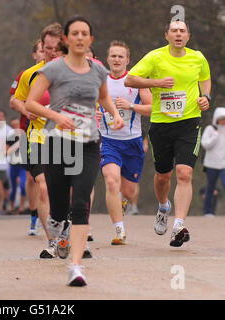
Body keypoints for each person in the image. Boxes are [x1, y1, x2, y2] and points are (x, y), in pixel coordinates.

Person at [26, 16, 124, 286]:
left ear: (90, 39)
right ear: (66, 40)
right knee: (58, 209)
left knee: (81, 203)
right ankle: (57, 225)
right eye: (75, 34)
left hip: (88, 144)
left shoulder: (98, 71)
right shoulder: (53, 69)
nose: (80, 38)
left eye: (85, 34)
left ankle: (76, 266)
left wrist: (114, 114)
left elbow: (103, 97)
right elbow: (31, 103)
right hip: (57, 144)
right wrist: (56, 117)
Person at [125, 20, 211, 247]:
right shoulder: (155, 57)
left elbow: (205, 79)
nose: (178, 34)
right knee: (163, 175)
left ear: (188, 36)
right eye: (174, 30)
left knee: (184, 173)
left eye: (182, 31)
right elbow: (129, 79)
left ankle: (178, 225)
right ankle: (163, 206)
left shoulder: (198, 58)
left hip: (189, 123)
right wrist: (156, 82)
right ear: (167, 35)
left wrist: (206, 97)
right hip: (161, 124)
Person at [11, 23, 63, 257]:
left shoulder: (78, 70)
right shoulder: (30, 74)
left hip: (69, 137)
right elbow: (16, 99)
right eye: (48, 48)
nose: (52, 52)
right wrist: (26, 110)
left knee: (67, 191)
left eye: (57, 47)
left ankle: (70, 234)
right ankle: (53, 241)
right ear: (42, 47)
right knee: (43, 187)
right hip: (39, 136)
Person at [97, 41, 152, 245]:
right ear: (108, 59)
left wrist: (130, 106)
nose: (117, 59)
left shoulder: (135, 81)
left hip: (132, 142)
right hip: (109, 141)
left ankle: (122, 206)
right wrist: (95, 113)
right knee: (111, 181)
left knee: (128, 191)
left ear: (127, 60)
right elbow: (91, 103)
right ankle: (119, 231)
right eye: (113, 56)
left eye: (121, 56)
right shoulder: (100, 81)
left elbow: (153, 109)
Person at [9, 39, 44, 234]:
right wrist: (27, 110)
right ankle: (34, 215)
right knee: (32, 177)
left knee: (47, 179)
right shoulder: (26, 74)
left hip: (56, 132)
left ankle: (52, 215)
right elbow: (13, 100)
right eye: (40, 50)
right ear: (35, 54)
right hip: (28, 131)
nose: (43, 53)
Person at [201, 107, 225, 217]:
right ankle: (208, 211)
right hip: (211, 164)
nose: (223, 120)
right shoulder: (210, 129)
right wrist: (215, 136)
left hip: (223, 164)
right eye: (221, 118)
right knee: (210, 187)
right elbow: (205, 144)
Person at [7, 118, 27, 215]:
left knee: (23, 185)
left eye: (17, 125)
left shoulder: (26, 136)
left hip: (23, 165)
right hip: (13, 165)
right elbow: (6, 152)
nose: (16, 127)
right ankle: (12, 207)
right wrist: (17, 144)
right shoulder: (10, 138)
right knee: (13, 187)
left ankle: (22, 207)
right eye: (13, 125)